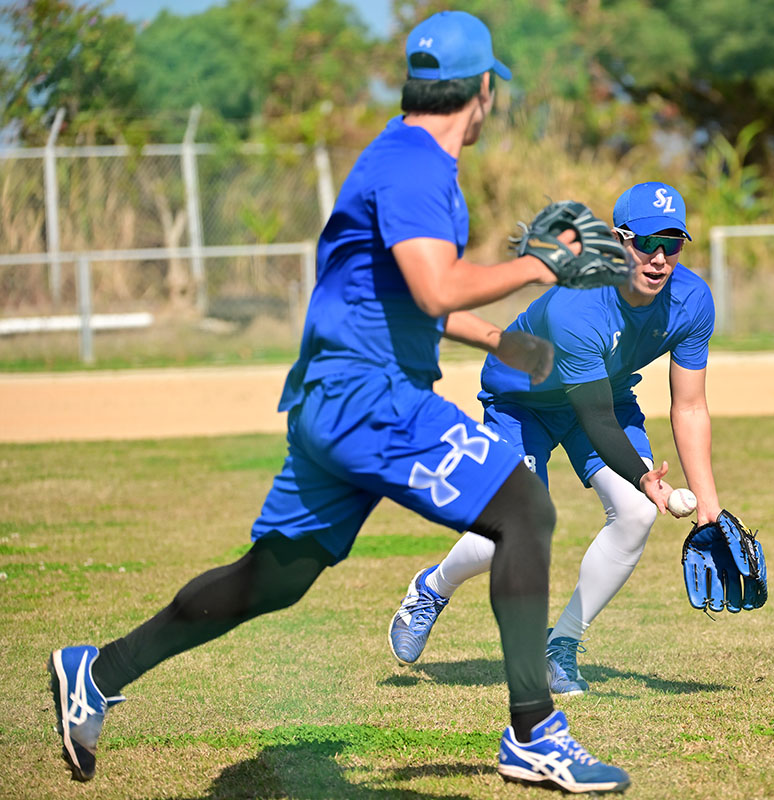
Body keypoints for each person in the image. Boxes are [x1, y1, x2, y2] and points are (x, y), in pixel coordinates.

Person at [47, 11, 630, 795]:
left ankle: (98, 669)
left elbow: (400, 297)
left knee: (276, 577)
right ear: (484, 91)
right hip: (371, 399)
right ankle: (534, 732)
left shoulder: (400, 158)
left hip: (335, 399)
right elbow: (431, 285)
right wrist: (539, 266)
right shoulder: (420, 168)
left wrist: (499, 342)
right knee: (524, 509)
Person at [389, 180, 720, 695]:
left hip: (604, 397)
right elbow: (595, 421)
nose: (658, 259)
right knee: (513, 532)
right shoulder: (579, 307)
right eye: (646, 243)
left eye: (671, 244)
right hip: (524, 403)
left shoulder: (692, 301)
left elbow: (691, 404)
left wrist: (710, 506)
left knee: (634, 515)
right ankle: (432, 588)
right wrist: (646, 479)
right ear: (618, 241)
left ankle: (560, 644)